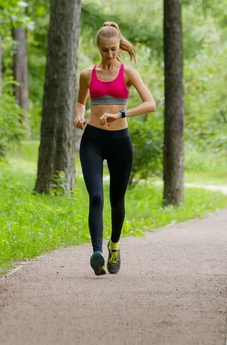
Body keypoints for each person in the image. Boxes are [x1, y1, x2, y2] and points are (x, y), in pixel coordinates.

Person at [73, 22, 156, 276]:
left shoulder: (128, 73)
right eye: (105, 50)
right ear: (97, 48)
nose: (110, 55)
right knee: (96, 197)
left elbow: (151, 103)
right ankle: (97, 253)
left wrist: (121, 112)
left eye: (113, 49)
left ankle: (115, 245)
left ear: (119, 46)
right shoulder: (88, 74)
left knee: (117, 201)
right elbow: (80, 101)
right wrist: (78, 116)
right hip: (93, 141)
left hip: (120, 141)